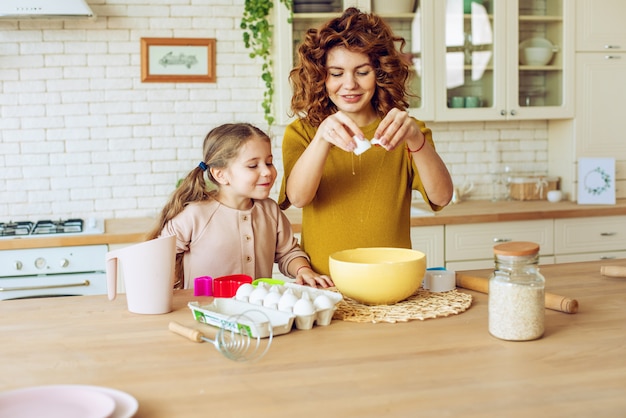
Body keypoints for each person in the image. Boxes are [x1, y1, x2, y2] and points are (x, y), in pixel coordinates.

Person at [279, 7, 453, 275]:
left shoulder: (405, 130)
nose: (349, 85)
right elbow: (299, 198)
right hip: (325, 281)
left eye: (362, 72)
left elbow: (441, 197)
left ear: (380, 73)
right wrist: (323, 138)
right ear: (320, 77)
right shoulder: (302, 133)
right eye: (336, 73)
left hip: (391, 278)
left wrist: (416, 139)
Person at [148, 123, 333, 289]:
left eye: (269, 162)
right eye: (253, 166)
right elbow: (158, 258)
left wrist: (303, 270)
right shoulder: (195, 215)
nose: (267, 172)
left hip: (253, 313)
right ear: (221, 175)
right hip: (204, 312)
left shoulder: (270, 211)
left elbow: (288, 252)